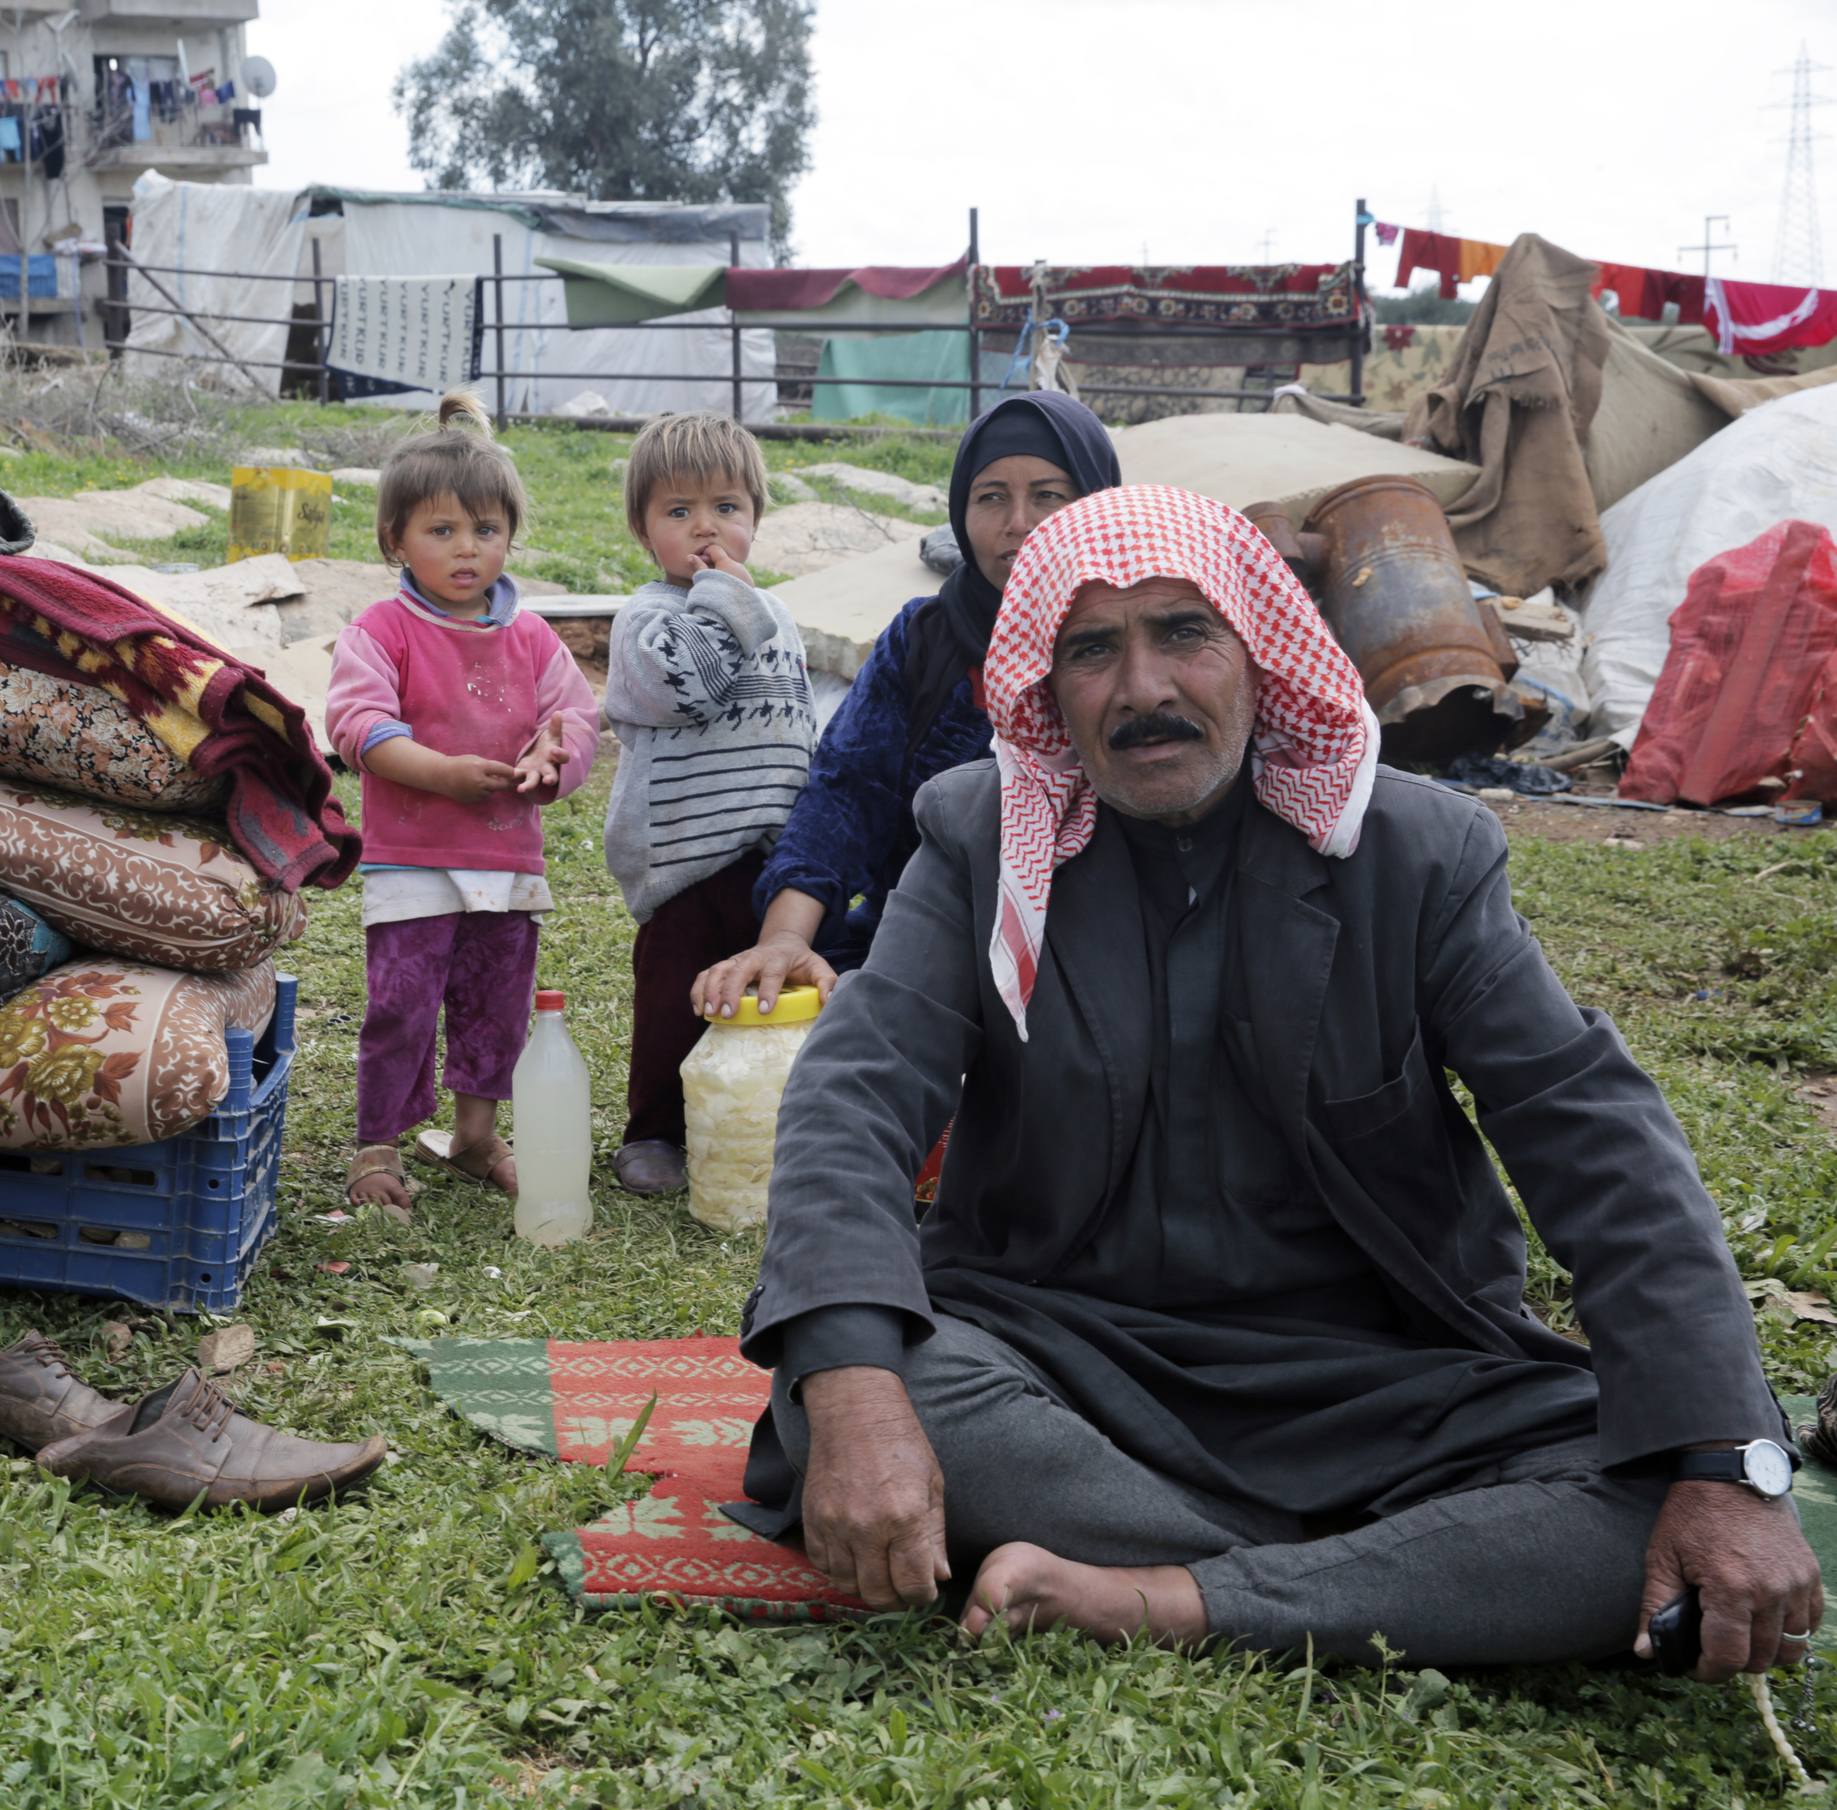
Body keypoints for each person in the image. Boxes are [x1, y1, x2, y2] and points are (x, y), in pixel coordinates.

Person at [736, 483, 1819, 1675]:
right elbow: (856, 1092)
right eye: (1092, 650)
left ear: (1262, 651)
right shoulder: (982, 840)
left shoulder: (1420, 857)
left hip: (1384, 1382)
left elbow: (1595, 1137)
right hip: (1056, 1353)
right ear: (1048, 690)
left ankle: (1175, 1594)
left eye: (1184, 633)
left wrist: (1724, 1460)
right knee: (871, 1385)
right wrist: (851, 1393)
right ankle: (1394, 1579)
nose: (1143, 689)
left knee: (1666, 1496)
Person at [695, 393, 1120, 1023]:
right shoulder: (926, 639)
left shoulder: (1136, 637)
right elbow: (846, 791)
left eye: (1050, 495)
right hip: (932, 931)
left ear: (1098, 503)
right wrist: (784, 938)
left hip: (1096, 946)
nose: (1018, 521)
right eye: (992, 496)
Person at [325, 394, 598, 1211]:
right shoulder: (380, 631)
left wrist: (553, 758)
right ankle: (377, 1146)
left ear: (509, 536)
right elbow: (356, 723)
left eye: (485, 530)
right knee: (401, 1007)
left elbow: (574, 718)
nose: (466, 549)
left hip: (505, 862)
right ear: (394, 540)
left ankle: (475, 1138)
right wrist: (438, 772)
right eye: (440, 531)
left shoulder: (534, 638)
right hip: (411, 860)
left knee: (496, 1009)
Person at [599, 412, 816, 1195]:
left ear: (755, 517)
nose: (704, 529)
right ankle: (654, 1131)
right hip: (685, 856)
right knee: (674, 1004)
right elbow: (689, 686)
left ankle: (762, 1123)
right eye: (678, 512)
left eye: (725, 508)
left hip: (768, 855)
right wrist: (724, 593)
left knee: (765, 1002)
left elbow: (795, 716)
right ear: (642, 528)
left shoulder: (775, 613)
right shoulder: (646, 618)